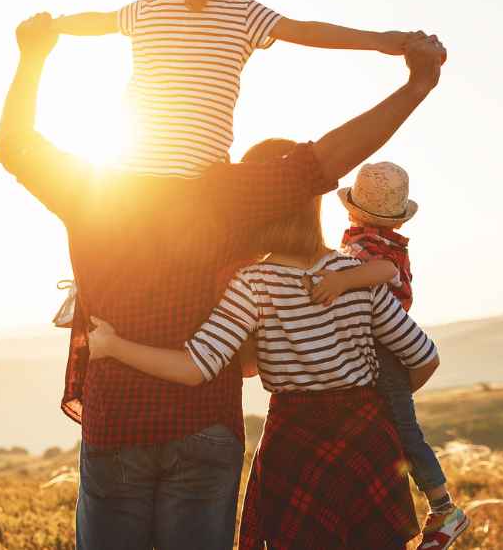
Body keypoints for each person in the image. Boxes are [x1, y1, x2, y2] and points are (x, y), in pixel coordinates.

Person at [0, 11, 447, 549]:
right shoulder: (232, 200)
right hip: (207, 424)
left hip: (117, 421)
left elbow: (15, 143)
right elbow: (327, 160)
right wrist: (416, 85)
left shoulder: (91, 189)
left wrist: (33, 56)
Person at [86, 138, 441, 549]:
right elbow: (424, 357)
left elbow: (196, 367)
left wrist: (113, 346)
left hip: (297, 446)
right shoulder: (359, 274)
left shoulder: (253, 284)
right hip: (368, 443)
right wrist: (371, 407)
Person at [50, 0, 415, 178]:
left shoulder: (144, 10)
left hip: (129, 175)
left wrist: (52, 25)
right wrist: (381, 41)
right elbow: (308, 31)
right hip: (202, 179)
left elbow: (94, 21)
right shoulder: (243, 13)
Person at [308, 161, 469, 550]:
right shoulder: (373, 241)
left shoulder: (374, 249)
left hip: (384, 349)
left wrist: (341, 280)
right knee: (390, 429)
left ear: (351, 208)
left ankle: (444, 508)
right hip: (380, 349)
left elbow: (381, 272)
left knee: (403, 430)